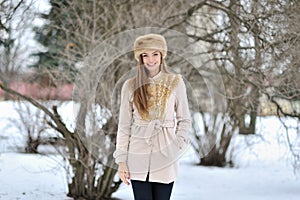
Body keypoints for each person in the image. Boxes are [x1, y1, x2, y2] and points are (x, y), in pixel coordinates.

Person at [113, 33, 191, 200]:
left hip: (165, 155)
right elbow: (124, 125)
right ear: (139, 57)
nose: (150, 60)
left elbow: (184, 120)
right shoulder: (130, 85)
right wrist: (121, 161)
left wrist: (176, 146)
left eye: (155, 54)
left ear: (162, 55)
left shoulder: (176, 82)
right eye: (145, 55)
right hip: (137, 156)